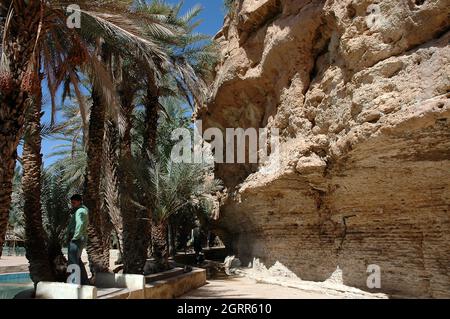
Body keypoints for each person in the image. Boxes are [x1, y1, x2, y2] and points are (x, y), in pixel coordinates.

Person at [67, 194, 89, 285]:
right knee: (78, 260)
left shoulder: (80, 211)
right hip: (81, 238)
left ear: (79, 201)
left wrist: (74, 237)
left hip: (77, 239)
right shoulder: (84, 210)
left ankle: (73, 283)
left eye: (74, 202)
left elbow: (79, 224)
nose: (72, 204)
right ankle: (84, 282)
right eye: (71, 202)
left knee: (72, 261)